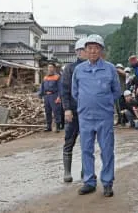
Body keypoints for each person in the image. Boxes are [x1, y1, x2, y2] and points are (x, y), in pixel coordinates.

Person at [72, 34, 121, 197]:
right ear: (85, 51)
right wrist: (87, 103)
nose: (92, 51)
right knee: (86, 149)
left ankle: (107, 183)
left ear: (101, 50)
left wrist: (105, 103)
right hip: (85, 116)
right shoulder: (79, 70)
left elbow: (117, 91)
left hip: (104, 116)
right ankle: (89, 182)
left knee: (107, 150)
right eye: (89, 48)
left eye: (96, 48)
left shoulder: (110, 68)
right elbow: (75, 92)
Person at [61, 37, 88, 182]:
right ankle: (67, 172)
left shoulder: (93, 67)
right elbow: (64, 90)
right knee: (69, 140)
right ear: (77, 52)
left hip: (88, 112)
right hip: (73, 110)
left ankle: (86, 171)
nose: (86, 52)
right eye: (83, 49)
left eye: (87, 49)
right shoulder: (70, 68)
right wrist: (67, 109)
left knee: (87, 142)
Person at [39, 63, 62, 132]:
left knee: (56, 111)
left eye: (51, 67)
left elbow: (60, 88)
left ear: (54, 68)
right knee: (47, 111)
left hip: (54, 96)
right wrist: (41, 95)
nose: (50, 69)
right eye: (49, 67)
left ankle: (58, 126)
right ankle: (48, 127)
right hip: (47, 96)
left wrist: (59, 97)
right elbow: (42, 87)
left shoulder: (57, 77)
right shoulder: (45, 77)